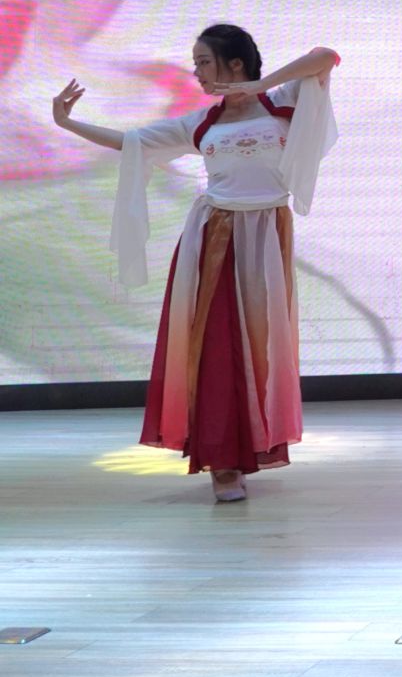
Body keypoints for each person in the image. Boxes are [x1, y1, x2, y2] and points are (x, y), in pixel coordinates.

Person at [49, 25, 339, 501]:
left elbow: (325, 55)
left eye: (204, 61)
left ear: (236, 64)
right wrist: (67, 123)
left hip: (267, 237)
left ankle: (247, 448)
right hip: (215, 237)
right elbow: (132, 142)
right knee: (217, 347)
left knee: (260, 350)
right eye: (196, 63)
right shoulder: (201, 123)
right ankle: (223, 463)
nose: (197, 72)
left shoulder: (285, 101)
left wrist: (259, 86)